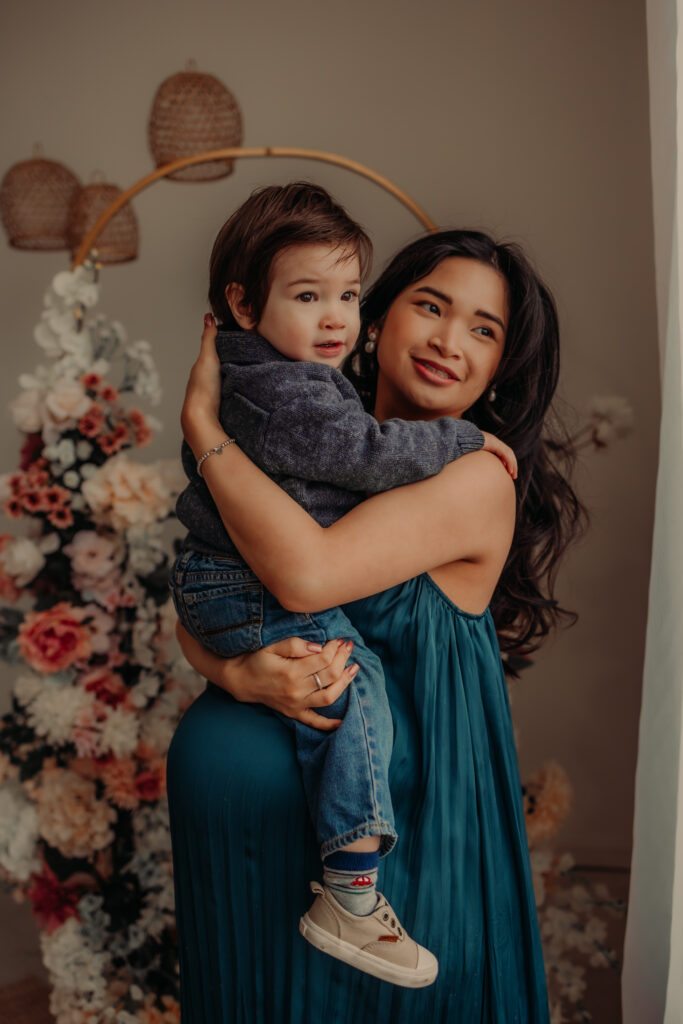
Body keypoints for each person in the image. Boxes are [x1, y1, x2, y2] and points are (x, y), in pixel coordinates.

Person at [167, 228, 586, 1023]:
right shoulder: (315, 434)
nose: (446, 341)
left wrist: (203, 427)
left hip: (405, 854)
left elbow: (302, 575)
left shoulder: (476, 475)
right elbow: (205, 587)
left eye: (481, 329)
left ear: (501, 364)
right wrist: (236, 675)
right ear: (377, 316)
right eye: (429, 306)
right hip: (252, 862)